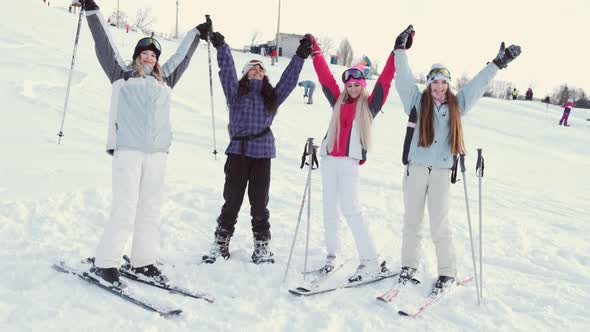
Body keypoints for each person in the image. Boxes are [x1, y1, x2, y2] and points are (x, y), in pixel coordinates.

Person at [77, 0, 206, 287]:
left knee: (150, 208)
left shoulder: (166, 80)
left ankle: (142, 261)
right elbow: (104, 42)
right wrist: (91, 10)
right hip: (128, 151)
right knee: (125, 206)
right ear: (137, 56)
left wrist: (197, 32)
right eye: (144, 53)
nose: (149, 57)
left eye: (153, 55)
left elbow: (182, 56)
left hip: (157, 153)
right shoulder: (121, 74)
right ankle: (106, 262)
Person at [393, 25, 521, 294]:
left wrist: (497, 64)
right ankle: (408, 266)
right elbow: (403, 79)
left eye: (443, 82)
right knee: (412, 220)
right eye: (434, 82)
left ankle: (447, 272)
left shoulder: (458, 105)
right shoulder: (416, 101)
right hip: (416, 168)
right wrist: (400, 50)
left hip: (441, 171)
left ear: (448, 85)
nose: (439, 87)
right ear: (428, 83)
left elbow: (477, 85)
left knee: (439, 222)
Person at [201, 29, 311, 264]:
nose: (257, 70)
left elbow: (289, 80)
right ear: (245, 75)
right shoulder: (235, 93)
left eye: (261, 68)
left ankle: (262, 245)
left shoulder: (272, 97)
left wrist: (300, 56)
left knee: (259, 201)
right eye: (252, 68)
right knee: (232, 199)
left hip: (262, 154)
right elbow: (227, 71)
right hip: (238, 153)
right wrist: (222, 46)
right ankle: (221, 242)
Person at [306, 33, 396, 282]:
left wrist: (396, 52)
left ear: (363, 85)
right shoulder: (337, 101)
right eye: (350, 85)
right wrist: (315, 52)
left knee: (351, 209)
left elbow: (386, 81)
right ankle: (332, 255)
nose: (353, 88)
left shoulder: (369, 106)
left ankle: (370, 261)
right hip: (328, 161)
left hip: (348, 164)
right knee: (329, 208)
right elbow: (325, 78)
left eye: (358, 85)